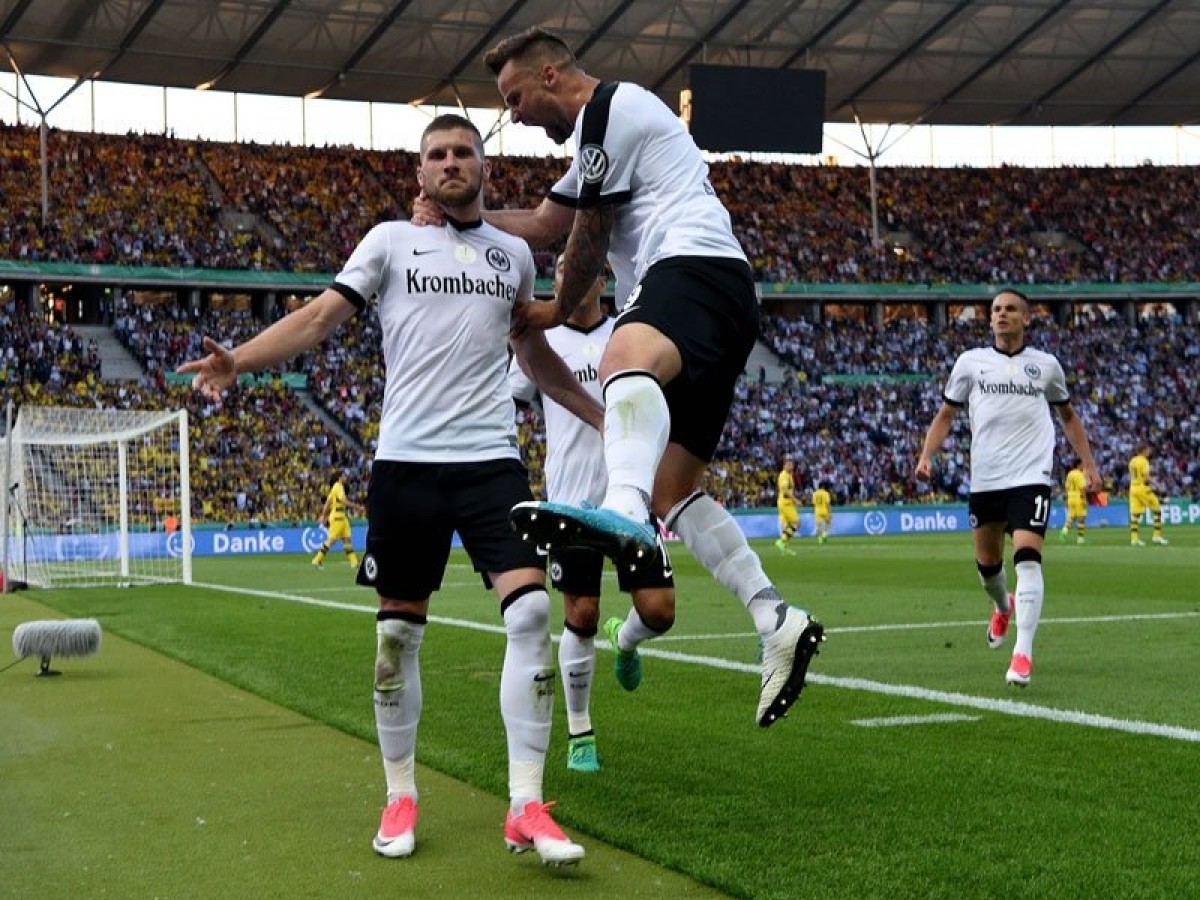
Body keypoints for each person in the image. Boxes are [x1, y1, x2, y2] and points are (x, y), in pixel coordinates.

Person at [178, 114, 597, 866]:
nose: (451, 162)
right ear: (420, 172)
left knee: (534, 611)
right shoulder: (389, 241)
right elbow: (318, 320)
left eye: (463, 152)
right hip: (406, 464)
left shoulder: (513, 257)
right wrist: (237, 360)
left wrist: (599, 416)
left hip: (490, 461)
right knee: (397, 635)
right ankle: (399, 793)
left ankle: (526, 805)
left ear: (484, 167)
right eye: (437, 154)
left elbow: (533, 354)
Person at [423, 26, 824, 729]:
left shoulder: (611, 107)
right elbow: (544, 221)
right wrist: (462, 220)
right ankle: (774, 617)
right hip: (722, 296)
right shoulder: (594, 139)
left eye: (515, 98)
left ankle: (624, 512)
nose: (515, 116)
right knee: (675, 489)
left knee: (620, 358)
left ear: (550, 75)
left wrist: (552, 310)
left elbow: (588, 235)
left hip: (692, 266)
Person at [508, 253, 675, 773]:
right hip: (572, 501)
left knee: (659, 612)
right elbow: (508, 405)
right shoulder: (543, 341)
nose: (569, 276)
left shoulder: (628, 337)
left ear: (600, 278)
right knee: (580, 616)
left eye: (578, 268)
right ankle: (580, 730)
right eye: (559, 270)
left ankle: (626, 640)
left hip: (630, 500)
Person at [915, 288, 1101, 688]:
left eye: (1011, 309)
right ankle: (1003, 605)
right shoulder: (970, 363)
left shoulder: (1046, 366)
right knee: (988, 566)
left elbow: (1068, 416)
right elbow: (945, 414)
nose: (1002, 314)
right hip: (987, 478)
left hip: (1031, 476)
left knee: (1028, 559)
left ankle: (1023, 652)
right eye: (997, 309)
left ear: (1026, 318)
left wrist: (1088, 462)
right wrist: (927, 455)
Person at [311, 471, 360, 568]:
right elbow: (343, 501)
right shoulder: (338, 487)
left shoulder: (335, 488)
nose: (345, 477)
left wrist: (323, 516)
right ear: (339, 478)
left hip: (342, 517)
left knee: (347, 540)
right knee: (332, 540)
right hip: (337, 517)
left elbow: (327, 503)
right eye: (344, 476)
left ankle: (354, 563)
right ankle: (317, 560)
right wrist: (357, 507)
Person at [1128, 442, 1168, 546]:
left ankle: (1134, 539)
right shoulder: (1144, 461)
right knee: (1157, 510)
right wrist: (1157, 485)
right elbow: (1146, 478)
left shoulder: (1132, 461)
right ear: (1144, 450)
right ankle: (1156, 536)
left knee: (1135, 514)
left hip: (1133, 488)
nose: (1149, 451)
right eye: (1148, 450)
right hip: (1143, 488)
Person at [1059, 461, 1089, 544]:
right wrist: (1084, 499)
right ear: (1078, 465)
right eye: (1082, 464)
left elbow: (1066, 488)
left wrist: (1066, 499)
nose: (1083, 466)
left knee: (1071, 517)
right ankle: (1080, 539)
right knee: (1081, 518)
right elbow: (1082, 488)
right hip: (1078, 497)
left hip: (1070, 497)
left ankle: (1064, 531)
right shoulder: (1080, 474)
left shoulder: (1069, 474)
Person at [774, 459, 799, 555]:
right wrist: (794, 500)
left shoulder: (788, 475)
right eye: (788, 464)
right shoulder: (784, 475)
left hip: (783, 502)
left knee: (787, 526)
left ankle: (784, 548)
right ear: (784, 466)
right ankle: (781, 541)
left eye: (791, 464)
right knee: (796, 523)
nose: (790, 466)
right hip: (786, 503)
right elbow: (784, 490)